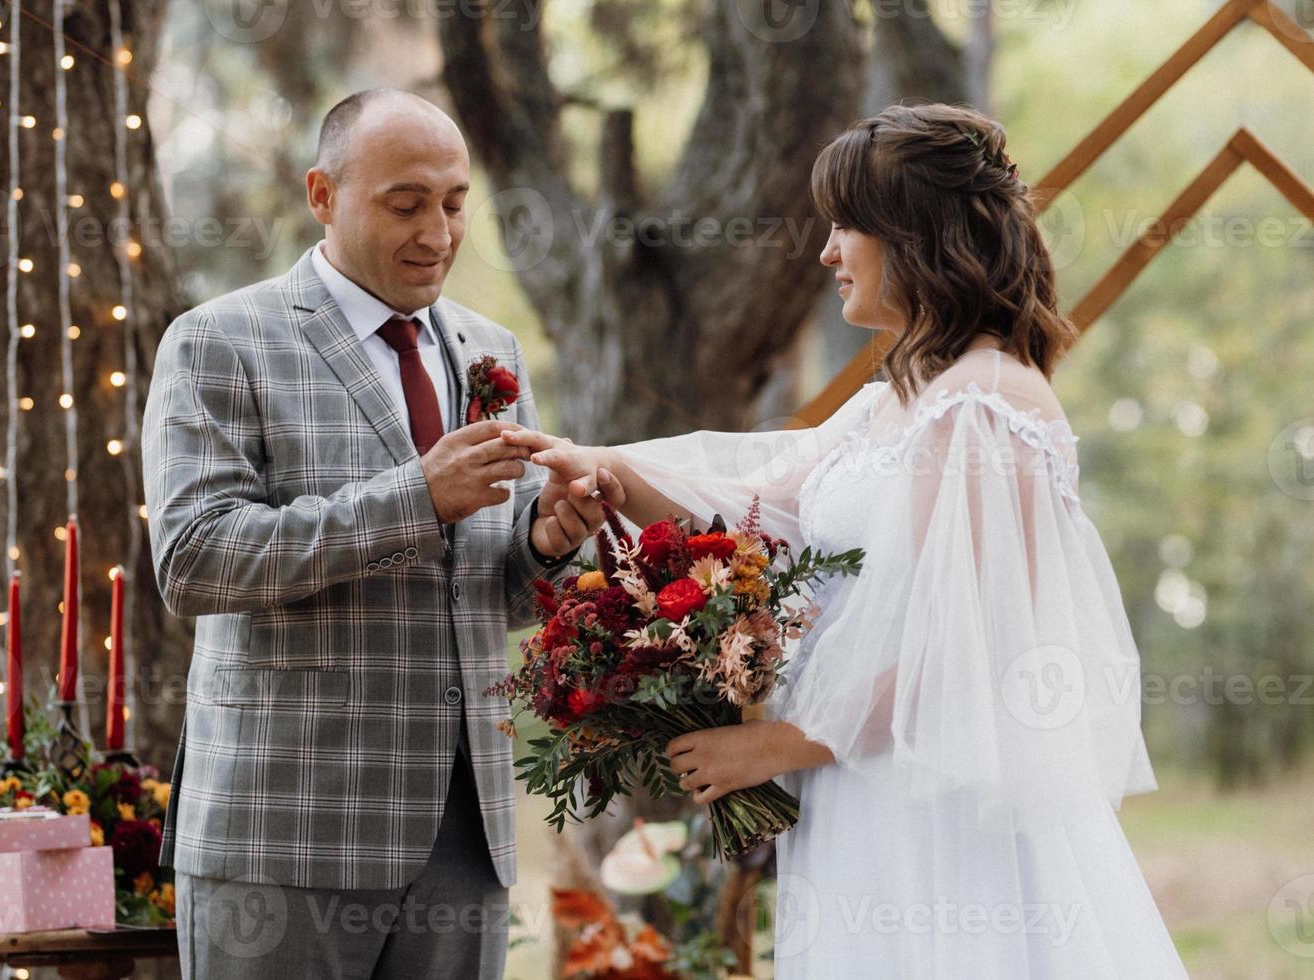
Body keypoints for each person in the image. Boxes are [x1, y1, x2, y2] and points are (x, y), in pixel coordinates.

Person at [503, 102, 1188, 977]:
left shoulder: (989, 403)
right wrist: (594, 465)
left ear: (915, 234)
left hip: (936, 818)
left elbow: (960, 643)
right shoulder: (894, 399)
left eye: (845, 226)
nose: (826, 252)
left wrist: (774, 746)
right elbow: (757, 513)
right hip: (857, 791)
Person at [142, 87, 622, 979]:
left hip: (463, 832)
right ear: (322, 195)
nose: (436, 232)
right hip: (282, 834)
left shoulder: (493, 351)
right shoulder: (219, 342)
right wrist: (413, 498)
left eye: (453, 203)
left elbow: (489, 586)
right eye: (405, 204)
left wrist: (549, 546)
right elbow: (194, 559)